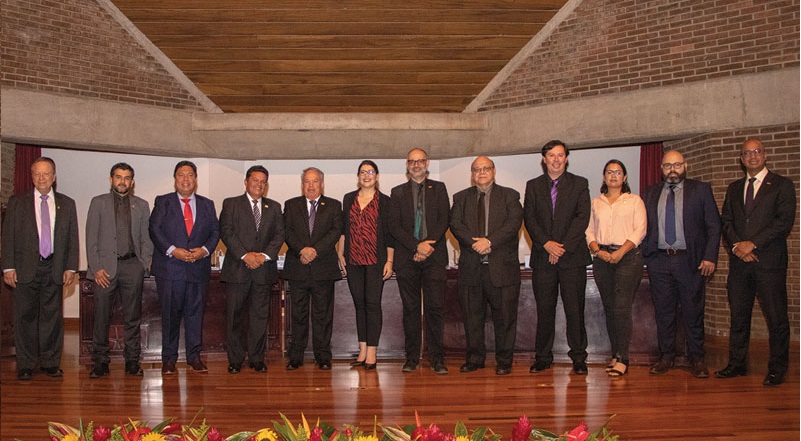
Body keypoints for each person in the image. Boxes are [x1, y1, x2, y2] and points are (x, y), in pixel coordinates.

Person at [716, 139, 796, 386]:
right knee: (739, 316)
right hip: (740, 263)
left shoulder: (782, 185)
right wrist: (737, 246)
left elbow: (783, 222)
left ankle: (777, 369)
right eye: (747, 153)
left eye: (757, 152)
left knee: (776, 318)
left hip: (769, 262)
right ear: (741, 159)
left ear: (765, 155)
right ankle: (737, 364)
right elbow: (726, 222)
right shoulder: (734, 188)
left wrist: (753, 243)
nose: (752, 156)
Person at [642, 150, 720, 378]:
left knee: (693, 311)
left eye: (677, 165)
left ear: (685, 166)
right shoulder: (650, 193)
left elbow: (714, 226)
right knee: (663, 312)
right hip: (659, 261)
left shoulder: (701, 190)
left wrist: (710, 256)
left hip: (690, 261)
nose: (672, 170)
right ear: (661, 169)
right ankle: (666, 357)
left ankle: (697, 358)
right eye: (667, 166)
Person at [2, 157, 79, 381]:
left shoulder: (67, 204)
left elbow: (72, 239)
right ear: (32, 176)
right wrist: (8, 267)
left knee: (52, 319)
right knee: (24, 318)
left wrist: (71, 268)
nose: (41, 178)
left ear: (54, 177)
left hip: (54, 268)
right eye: (37, 173)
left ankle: (50, 363)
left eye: (46, 174)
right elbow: (7, 237)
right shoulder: (17, 202)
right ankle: (26, 364)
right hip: (25, 269)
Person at [450, 156, 523, 376]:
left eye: (486, 168)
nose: (481, 172)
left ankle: (504, 361)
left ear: (494, 171)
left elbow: (513, 224)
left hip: (502, 268)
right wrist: (476, 244)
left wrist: (489, 241)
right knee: (472, 317)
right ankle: (475, 359)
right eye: (477, 169)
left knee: (505, 318)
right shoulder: (461, 198)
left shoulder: (510, 196)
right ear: (472, 174)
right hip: (471, 268)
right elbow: (455, 225)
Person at [524, 140, 591, 375]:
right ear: (544, 159)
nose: (556, 159)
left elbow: (582, 218)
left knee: (575, 310)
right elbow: (530, 219)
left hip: (572, 258)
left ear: (566, 159)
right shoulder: (533, 185)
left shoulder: (580, 184)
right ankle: (543, 357)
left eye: (560, 155)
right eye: (551, 155)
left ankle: (579, 357)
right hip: (543, 258)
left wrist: (561, 247)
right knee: (545, 310)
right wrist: (547, 244)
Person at [149, 160, 219, 375]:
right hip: (170, 270)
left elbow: (215, 232)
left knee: (195, 316)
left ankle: (194, 357)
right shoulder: (163, 202)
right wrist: (173, 250)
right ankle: (169, 359)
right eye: (181, 174)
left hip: (198, 269)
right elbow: (154, 230)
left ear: (195, 179)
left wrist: (204, 251)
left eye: (190, 175)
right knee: (170, 316)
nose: (186, 179)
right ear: (175, 179)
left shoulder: (207, 204)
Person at [86, 162, 154, 378]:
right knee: (101, 317)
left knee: (132, 317)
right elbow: (91, 238)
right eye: (118, 177)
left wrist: (143, 264)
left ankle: (132, 361)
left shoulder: (141, 205)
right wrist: (96, 268)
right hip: (104, 270)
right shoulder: (98, 203)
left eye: (127, 177)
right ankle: (100, 362)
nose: (122, 181)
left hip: (132, 267)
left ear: (132, 182)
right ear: (111, 180)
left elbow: (147, 239)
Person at [388, 148, 450, 375]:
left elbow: (444, 219)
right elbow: (394, 226)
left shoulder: (439, 188)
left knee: (435, 309)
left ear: (427, 163)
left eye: (420, 161)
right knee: (411, 310)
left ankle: (437, 359)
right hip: (407, 258)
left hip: (434, 258)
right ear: (407, 165)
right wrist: (416, 246)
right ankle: (412, 358)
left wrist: (427, 246)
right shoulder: (397, 192)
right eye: (412, 161)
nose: (416, 165)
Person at [219, 165, 285, 374]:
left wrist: (263, 256)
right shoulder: (231, 204)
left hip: (263, 271)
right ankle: (235, 359)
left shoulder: (274, 207)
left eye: (263, 181)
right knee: (235, 317)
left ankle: (257, 358)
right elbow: (226, 232)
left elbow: (279, 235)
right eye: (255, 180)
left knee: (259, 317)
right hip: (238, 269)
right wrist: (245, 255)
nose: (259, 184)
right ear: (246, 182)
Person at [585, 159, 646, 377]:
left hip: (628, 257)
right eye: (609, 172)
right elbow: (589, 231)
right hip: (602, 258)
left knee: (621, 307)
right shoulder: (596, 202)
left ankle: (623, 358)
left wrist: (620, 252)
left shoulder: (635, 201)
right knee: (610, 308)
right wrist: (597, 250)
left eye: (618, 172)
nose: (613, 176)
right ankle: (615, 354)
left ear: (625, 177)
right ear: (604, 177)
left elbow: (640, 230)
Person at [337, 160, 395, 370]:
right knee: (359, 305)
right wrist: (340, 253)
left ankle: (372, 351)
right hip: (353, 260)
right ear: (358, 176)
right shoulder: (348, 199)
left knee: (372, 304)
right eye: (362, 172)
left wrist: (389, 261)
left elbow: (389, 234)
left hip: (375, 261)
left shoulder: (385, 201)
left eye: (370, 172)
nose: (366, 175)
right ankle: (362, 350)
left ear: (377, 176)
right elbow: (344, 230)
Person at [283, 167, 342, 371]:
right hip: (298, 267)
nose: (311, 185)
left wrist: (315, 250)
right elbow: (286, 231)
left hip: (323, 268)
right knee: (297, 315)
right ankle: (296, 356)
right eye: (307, 181)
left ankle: (323, 356)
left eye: (315, 181)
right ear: (302, 184)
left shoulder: (334, 205)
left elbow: (335, 232)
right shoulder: (291, 205)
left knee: (323, 315)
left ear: (322, 184)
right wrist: (302, 249)